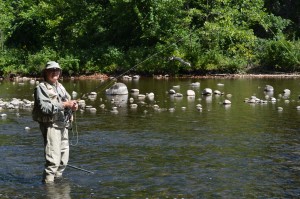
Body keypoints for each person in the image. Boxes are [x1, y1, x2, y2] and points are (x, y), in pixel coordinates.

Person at [32, 61, 78, 183]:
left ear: (60, 72)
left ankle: (57, 186)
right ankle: (48, 190)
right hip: (51, 126)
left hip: (63, 125)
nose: (54, 72)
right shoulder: (41, 88)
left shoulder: (60, 86)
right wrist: (65, 104)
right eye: (51, 70)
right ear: (45, 73)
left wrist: (73, 106)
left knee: (63, 161)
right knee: (53, 161)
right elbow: (45, 108)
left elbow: (68, 101)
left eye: (57, 70)